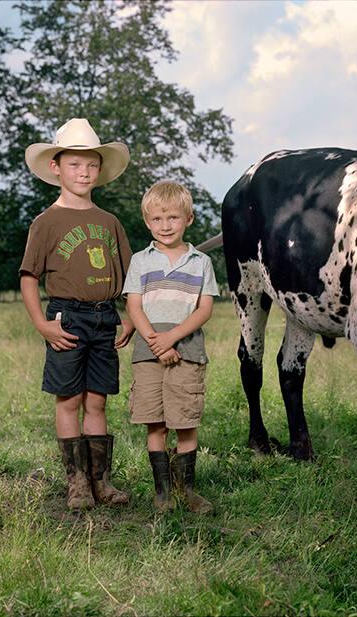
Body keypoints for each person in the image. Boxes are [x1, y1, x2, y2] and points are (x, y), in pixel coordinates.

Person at [20, 118, 134, 510]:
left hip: (105, 317)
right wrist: (41, 323)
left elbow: (130, 278)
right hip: (66, 319)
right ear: (56, 167)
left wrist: (131, 317)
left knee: (97, 402)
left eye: (90, 165)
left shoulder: (109, 223)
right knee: (69, 400)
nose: (83, 172)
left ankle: (101, 481)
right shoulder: (47, 222)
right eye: (74, 164)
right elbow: (29, 277)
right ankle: (77, 484)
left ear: (99, 170)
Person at [123, 181, 219, 513]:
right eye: (158, 219)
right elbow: (134, 308)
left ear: (188, 219)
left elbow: (204, 309)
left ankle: (187, 491)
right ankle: (162, 492)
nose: (166, 226)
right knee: (156, 423)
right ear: (148, 222)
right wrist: (157, 342)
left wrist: (173, 337)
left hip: (187, 352)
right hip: (149, 353)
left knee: (185, 421)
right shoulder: (140, 261)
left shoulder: (200, 262)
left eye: (174, 218)